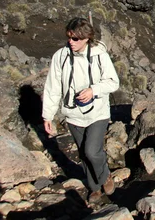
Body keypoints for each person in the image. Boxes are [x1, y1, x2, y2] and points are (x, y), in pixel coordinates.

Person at [42, 17, 120, 204]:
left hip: (97, 112)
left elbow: (113, 82)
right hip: (73, 114)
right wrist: (48, 115)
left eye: (76, 38)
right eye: (69, 37)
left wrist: (94, 90)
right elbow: (53, 87)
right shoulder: (60, 56)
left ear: (87, 38)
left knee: (92, 151)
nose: (71, 42)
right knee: (83, 154)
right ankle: (94, 188)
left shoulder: (99, 55)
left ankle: (105, 176)